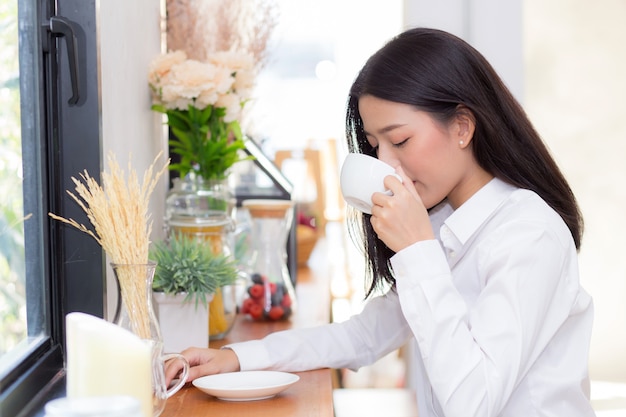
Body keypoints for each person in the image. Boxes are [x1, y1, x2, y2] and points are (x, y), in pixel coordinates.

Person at [165, 28, 596, 417]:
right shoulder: (446, 221)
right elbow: (364, 336)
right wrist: (239, 358)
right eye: (374, 146)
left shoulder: (528, 234)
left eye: (401, 140)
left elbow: (473, 402)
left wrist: (416, 250)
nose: (386, 164)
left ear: (463, 127)